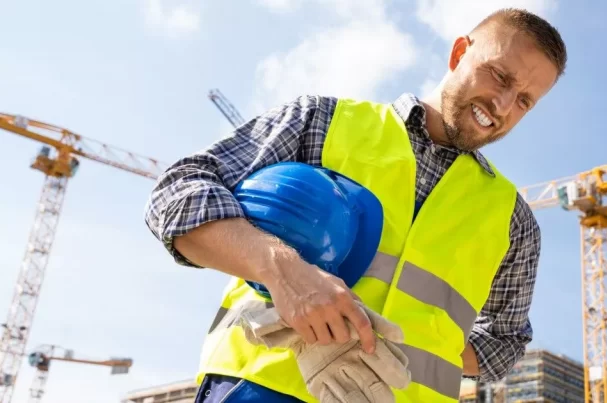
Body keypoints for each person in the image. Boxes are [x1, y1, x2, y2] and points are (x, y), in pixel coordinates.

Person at [144, 7, 567, 403]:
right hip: (263, 386)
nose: (505, 105)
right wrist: (282, 271)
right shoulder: (321, 122)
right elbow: (179, 192)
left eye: (526, 100)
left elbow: (504, 342)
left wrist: (386, 351)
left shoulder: (515, 221)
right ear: (459, 52)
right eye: (499, 76)